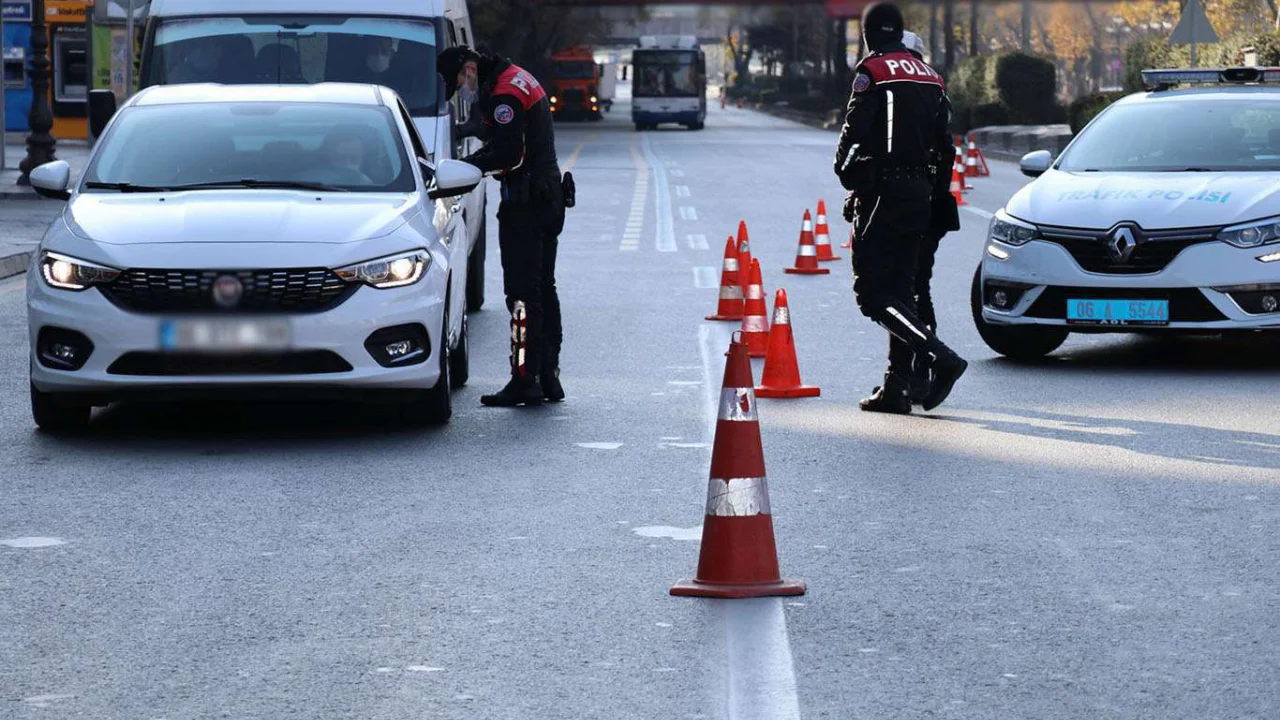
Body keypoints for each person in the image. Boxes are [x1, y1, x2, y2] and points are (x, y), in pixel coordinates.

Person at [833, 2, 967, 414]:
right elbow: (947, 148)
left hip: (883, 195)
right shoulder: (931, 77)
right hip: (920, 196)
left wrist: (850, 179)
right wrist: (933, 193)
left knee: (873, 296)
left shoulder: (872, 72)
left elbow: (852, 145)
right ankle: (897, 387)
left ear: (869, 35)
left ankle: (939, 357)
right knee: (904, 292)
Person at [438, 46, 568, 407]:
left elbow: (509, 153)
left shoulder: (504, 93)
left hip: (527, 203)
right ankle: (548, 376)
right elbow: (503, 134)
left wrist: (466, 166)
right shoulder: (514, 78)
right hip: (547, 197)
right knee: (543, 286)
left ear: (470, 68)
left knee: (523, 295)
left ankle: (525, 378)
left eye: (460, 81)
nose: (463, 89)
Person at [900, 30, 962, 404]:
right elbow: (947, 151)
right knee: (916, 288)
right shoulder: (934, 90)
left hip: (908, 206)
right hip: (929, 205)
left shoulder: (900, 92)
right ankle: (920, 371)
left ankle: (927, 365)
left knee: (899, 291)